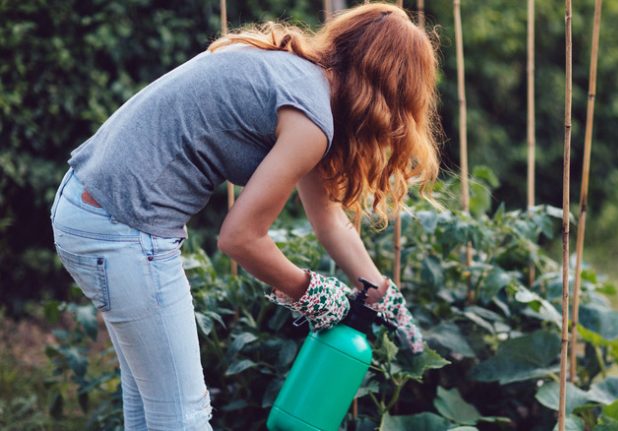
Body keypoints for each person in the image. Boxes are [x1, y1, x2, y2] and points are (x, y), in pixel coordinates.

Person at [48, 3, 440, 430]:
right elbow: (240, 239)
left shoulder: (297, 79)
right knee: (184, 417)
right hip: (122, 230)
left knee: (151, 409)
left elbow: (329, 219)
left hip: (88, 207)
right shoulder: (311, 117)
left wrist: (381, 292)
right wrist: (313, 293)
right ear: (391, 95)